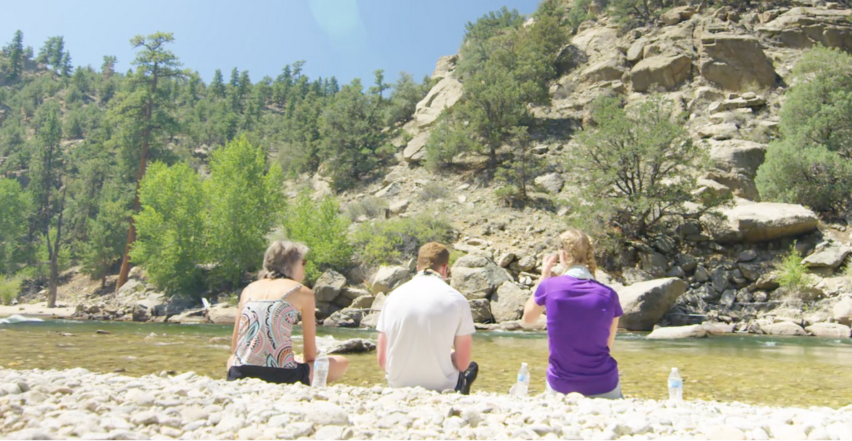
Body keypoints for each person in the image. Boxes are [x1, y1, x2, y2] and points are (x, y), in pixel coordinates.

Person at [227, 240, 348, 385]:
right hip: (282, 376)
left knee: (231, 359)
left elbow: (235, 348)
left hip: (240, 373)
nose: (304, 268)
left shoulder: (248, 290)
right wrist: (294, 359)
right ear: (294, 264)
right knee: (341, 362)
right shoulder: (302, 292)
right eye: (303, 263)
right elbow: (310, 355)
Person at [521, 229, 623, 399]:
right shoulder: (609, 295)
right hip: (604, 384)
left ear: (562, 255)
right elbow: (607, 347)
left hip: (561, 385)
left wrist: (544, 277)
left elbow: (527, 320)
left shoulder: (549, 287)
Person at [376, 242, 479, 394]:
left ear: (417, 267)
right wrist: (449, 355)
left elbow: (382, 361)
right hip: (443, 387)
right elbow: (463, 364)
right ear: (444, 269)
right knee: (471, 367)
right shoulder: (458, 300)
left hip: (397, 386)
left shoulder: (392, 297)